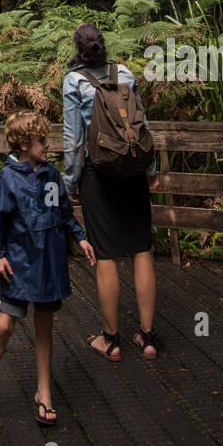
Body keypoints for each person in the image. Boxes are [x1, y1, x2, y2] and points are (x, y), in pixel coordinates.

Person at [0, 111, 95, 427]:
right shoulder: (10, 178)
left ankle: (44, 392)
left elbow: (62, 211)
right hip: (20, 263)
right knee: (5, 325)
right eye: (41, 141)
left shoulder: (50, 175)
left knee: (44, 324)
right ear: (23, 144)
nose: (48, 145)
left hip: (49, 262)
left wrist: (80, 238)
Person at [63, 22, 159, 361]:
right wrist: (150, 172)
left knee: (105, 254)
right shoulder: (126, 74)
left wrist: (71, 183)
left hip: (97, 174)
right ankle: (148, 338)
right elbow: (142, 126)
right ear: (103, 45)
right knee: (141, 248)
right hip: (132, 170)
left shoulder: (74, 81)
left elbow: (74, 141)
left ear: (78, 49)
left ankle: (111, 339)